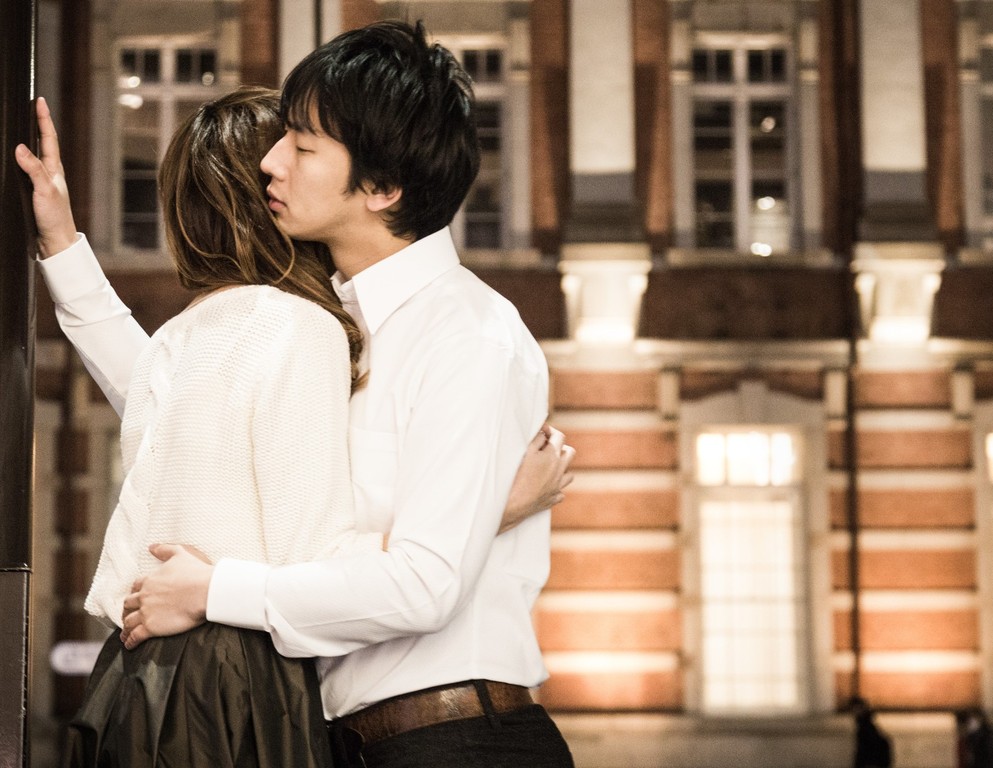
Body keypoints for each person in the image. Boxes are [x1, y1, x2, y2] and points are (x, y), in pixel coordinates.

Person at [27, 18, 577, 768]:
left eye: (304, 146)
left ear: (382, 187)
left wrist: (214, 590)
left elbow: (425, 585)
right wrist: (64, 249)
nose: (271, 163)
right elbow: (183, 412)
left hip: (454, 739)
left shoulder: (465, 335)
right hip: (342, 740)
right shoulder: (327, 323)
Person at [850, 697, 893, 768]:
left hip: (873, 761)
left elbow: (864, 748)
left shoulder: (865, 726)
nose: (855, 712)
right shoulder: (865, 724)